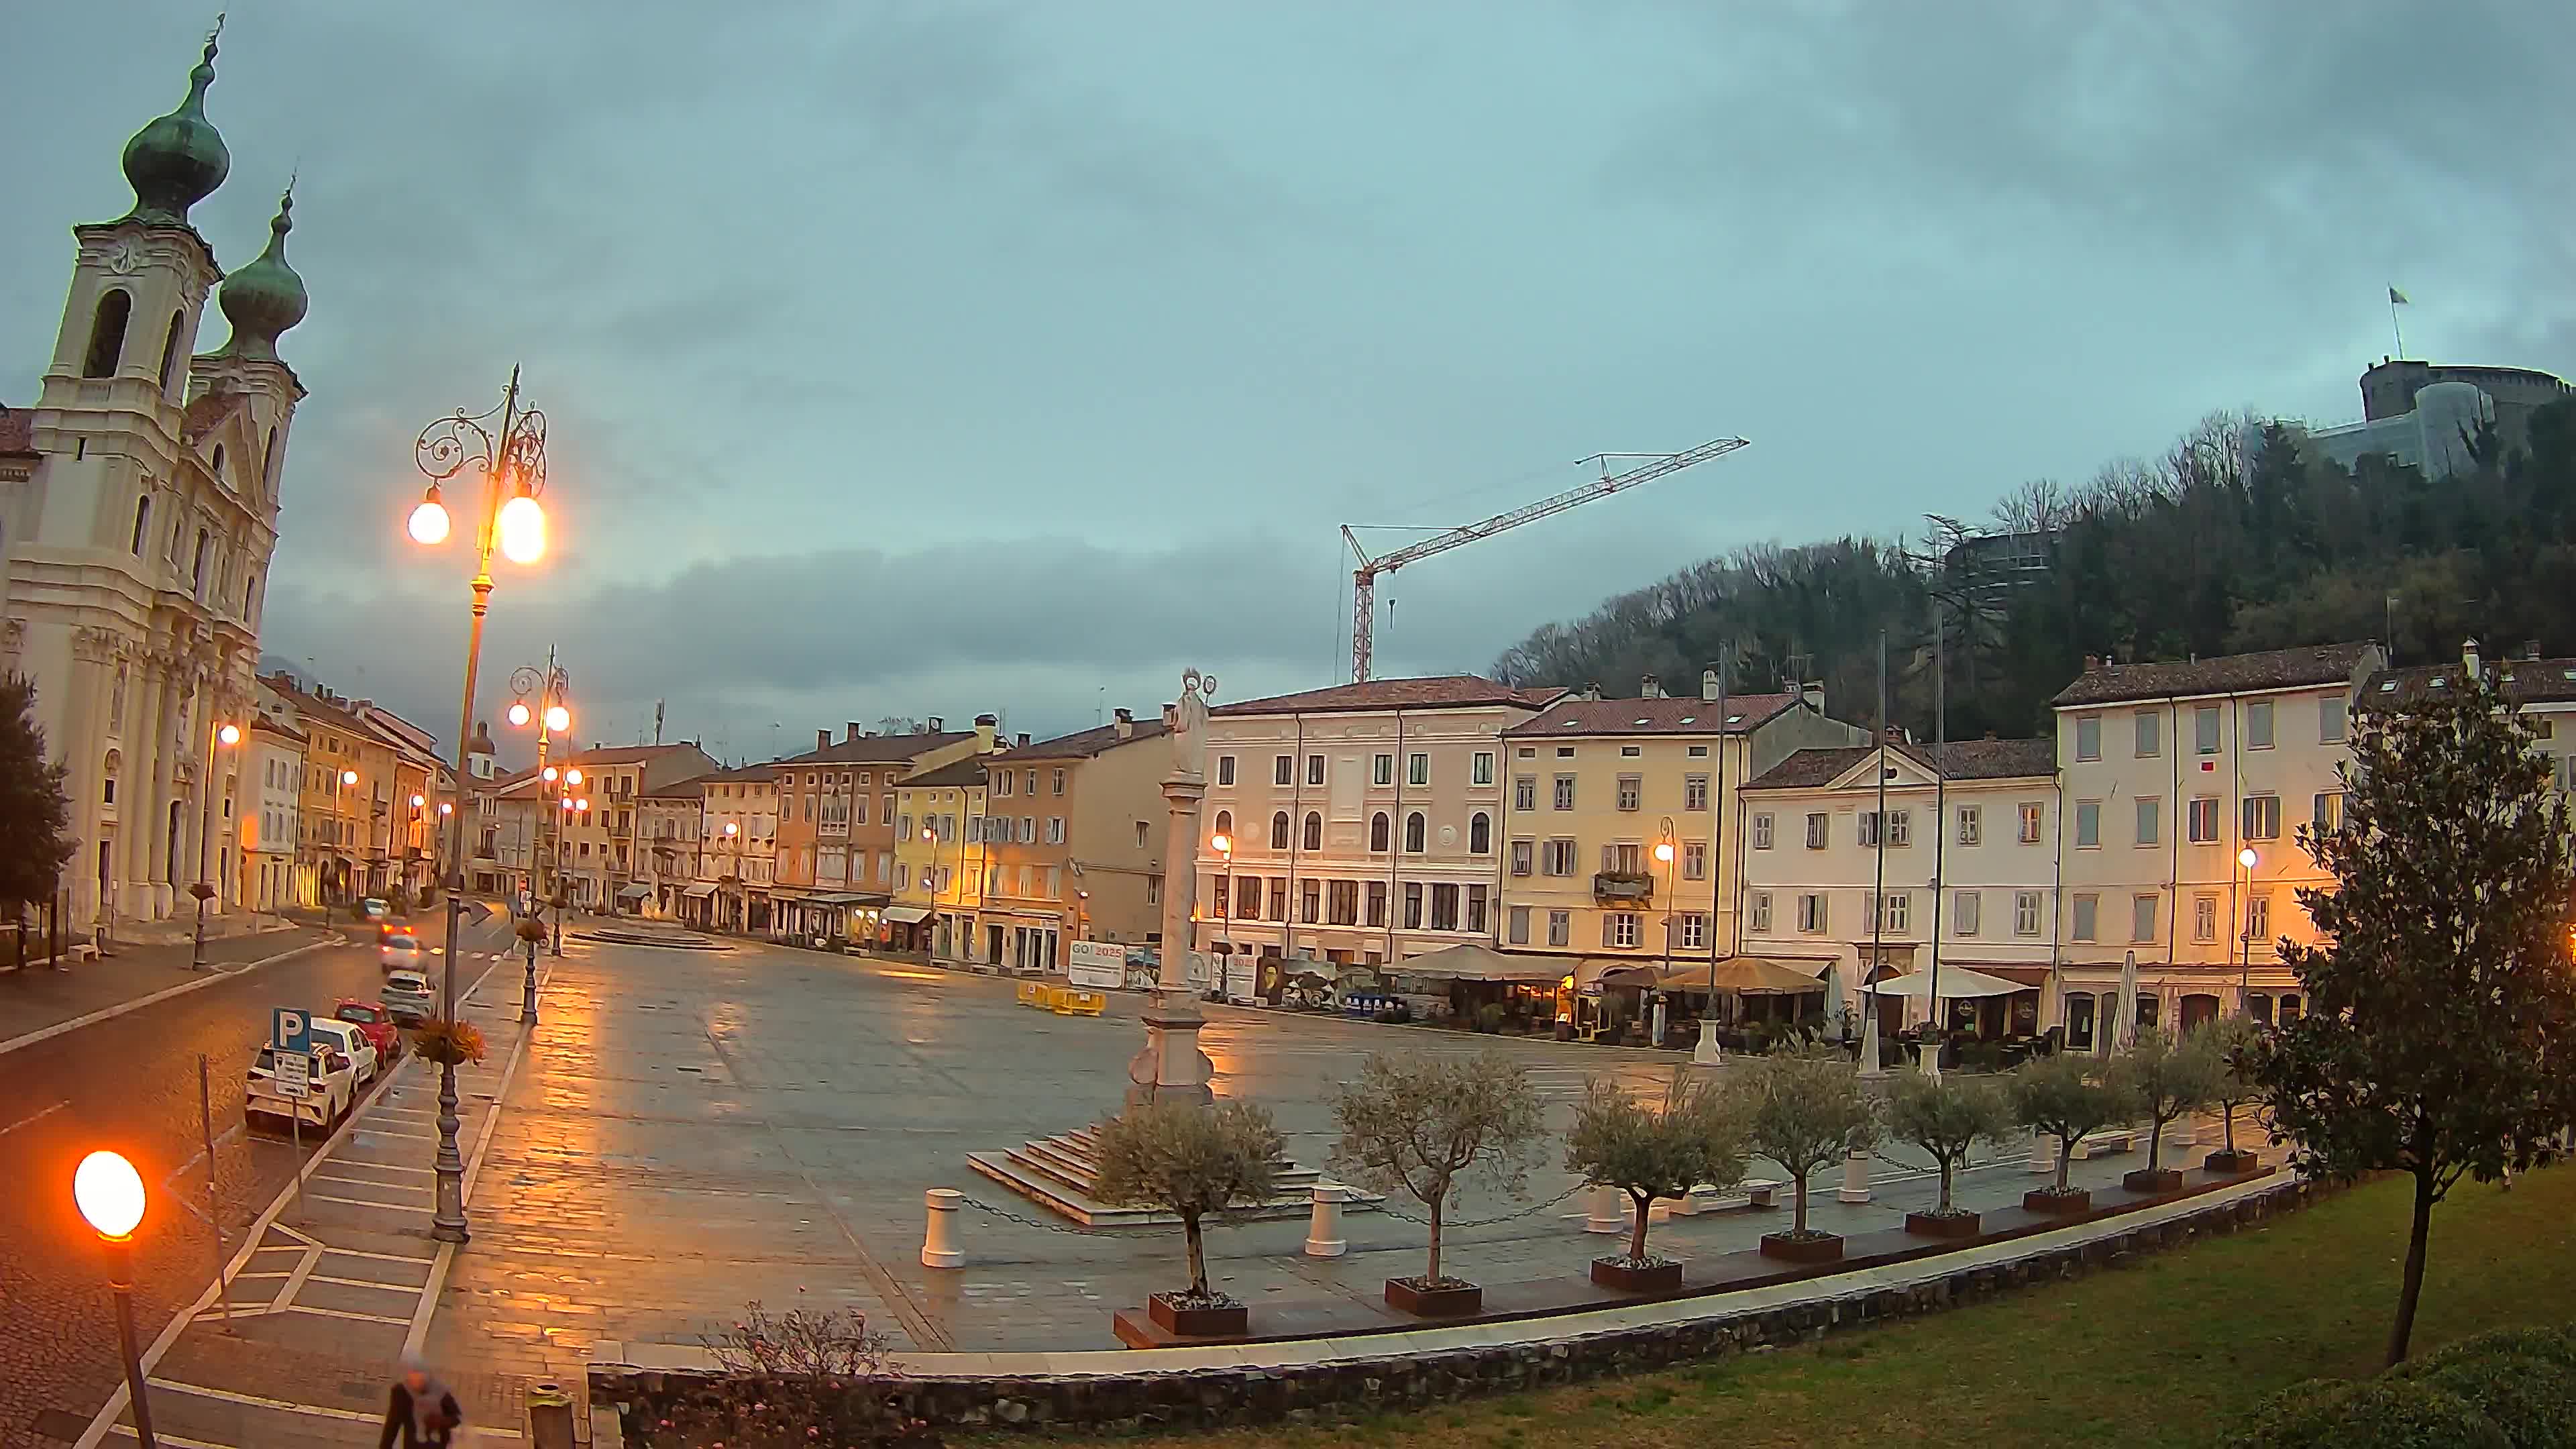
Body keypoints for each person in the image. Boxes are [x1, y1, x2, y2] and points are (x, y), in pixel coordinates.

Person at [380, 1353, 463, 1449]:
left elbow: (457, 1418)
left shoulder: (439, 1391)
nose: (416, 1379)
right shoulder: (401, 1393)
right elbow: (392, 1425)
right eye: (413, 1374)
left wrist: (440, 1421)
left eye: (420, 1375)